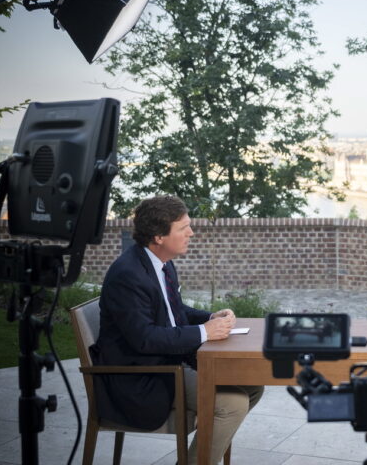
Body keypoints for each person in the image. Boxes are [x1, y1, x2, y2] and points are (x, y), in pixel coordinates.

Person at [92, 195, 263, 464]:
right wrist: (205, 332)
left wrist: (210, 317)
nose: (191, 233)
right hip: (142, 377)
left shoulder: (161, 263)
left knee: (252, 385)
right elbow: (145, 339)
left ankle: (201, 454)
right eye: (183, 228)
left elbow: (173, 311)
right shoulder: (128, 275)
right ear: (159, 236)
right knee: (232, 405)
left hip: (168, 362)